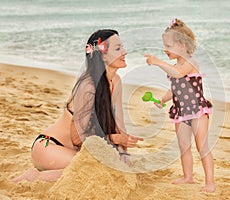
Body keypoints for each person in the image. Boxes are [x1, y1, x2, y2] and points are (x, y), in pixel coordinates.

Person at [12, 29, 143, 183]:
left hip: (73, 151)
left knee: (115, 169)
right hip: (51, 147)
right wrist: (116, 139)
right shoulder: (88, 86)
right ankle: (33, 177)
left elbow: (118, 124)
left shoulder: (116, 82)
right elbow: (77, 138)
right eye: (118, 48)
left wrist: (123, 152)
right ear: (102, 56)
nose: (125, 52)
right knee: (95, 170)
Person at [144, 19, 215, 193]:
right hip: (181, 112)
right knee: (184, 145)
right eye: (164, 45)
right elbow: (175, 89)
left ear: (182, 45)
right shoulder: (175, 65)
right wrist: (162, 99)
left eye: (168, 46)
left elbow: (178, 74)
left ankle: (210, 182)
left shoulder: (190, 63)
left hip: (197, 111)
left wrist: (158, 62)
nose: (165, 49)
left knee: (202, 146)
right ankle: (188, 177)